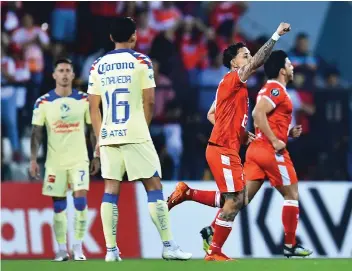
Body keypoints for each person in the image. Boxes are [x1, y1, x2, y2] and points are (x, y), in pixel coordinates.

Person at [167, 22, 291, 261]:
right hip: (222, 149)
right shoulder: (234, 78)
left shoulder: (231, 85)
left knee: (234, 199)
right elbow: (257, 63)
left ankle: (187, 192)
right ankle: (214, 251)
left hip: (226, 147)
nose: (250, 58)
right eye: (245, 56)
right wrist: (275, 35)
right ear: (234, 63)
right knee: (235, 201)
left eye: (249, 55)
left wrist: (239, 133)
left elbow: (211, 114)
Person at [87, 17, 191, 262]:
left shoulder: (97, 65)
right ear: (134, 36)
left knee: (111, 191)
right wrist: (142, 128)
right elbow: (151, 101)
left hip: (108, 135)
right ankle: (168, 246)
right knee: (153, 188)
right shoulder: (141, 61)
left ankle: (111, 251)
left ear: (111, 38)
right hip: (135, 133)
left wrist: (99, 139)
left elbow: (93, 108)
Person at [200, 50, 313, 258]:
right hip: (269, 151)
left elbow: (266, 120)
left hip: (256, 152)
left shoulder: (265, 89)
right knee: (292, 194)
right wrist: (276, 140)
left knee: (240, 199)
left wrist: (287, 133)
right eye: (289, 64)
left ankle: (213, 229)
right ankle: (289, 244)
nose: (292, 67)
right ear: (281, 70)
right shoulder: (275, 89)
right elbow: (257, 114)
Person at [29, 58, 100, 261]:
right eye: (61, 70)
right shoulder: (43, 102)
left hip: (79, 160)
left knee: (80, 200)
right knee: (59, 205)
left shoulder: (84, 100)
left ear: (73, 74)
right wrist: (33, 159)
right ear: (54, 75)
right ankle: (61, 249)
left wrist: (96, 154)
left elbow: (92, 131)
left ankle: (77, 247)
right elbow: (36, 133)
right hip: (54, 162)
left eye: (68, 70)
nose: (65, 74)